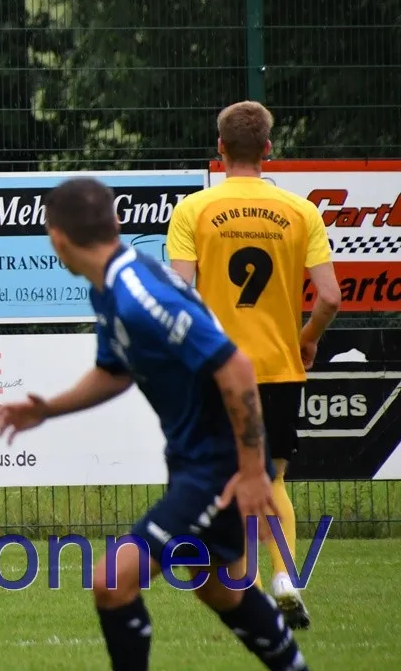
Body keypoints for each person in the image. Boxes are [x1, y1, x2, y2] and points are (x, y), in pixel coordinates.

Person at [0, 177, 308, 671]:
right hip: (193, 459)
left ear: (56, 238)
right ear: (116, 223)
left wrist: (252, 470)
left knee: (112, 581)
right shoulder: (113, 286)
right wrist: (48, 409)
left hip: (218, 466)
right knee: (218, 587)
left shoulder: (138, 294)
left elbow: (236, 368)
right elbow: (114, 371)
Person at [166, 101, 342, 629]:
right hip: (278, 367)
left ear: (220, 148)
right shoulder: (301, 211)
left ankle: (251, 588)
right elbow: (330, 297)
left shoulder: (194, 210)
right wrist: (306, 340)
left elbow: (178, 294)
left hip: (218, 369)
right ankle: (286, 577)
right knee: (274, 478)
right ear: (267, 148)